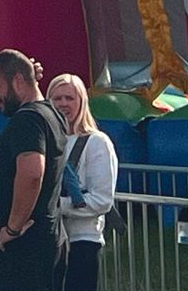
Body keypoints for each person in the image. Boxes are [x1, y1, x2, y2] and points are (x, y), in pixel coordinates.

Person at [0, 50, 69, 291]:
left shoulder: (28, 120)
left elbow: (32, 174)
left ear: (18, 81)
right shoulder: (51, 114)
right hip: (43, 243)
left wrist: (12, 228)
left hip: (25, 250)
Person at [47, 74, 119, 291]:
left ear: (81, 102)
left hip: (82, 241)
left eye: (69, 98)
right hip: (48, 241)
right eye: (57, 98)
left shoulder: (96, 142)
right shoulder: (44, 141)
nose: (63, 104)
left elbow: (102, 200)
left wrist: (57, 207)